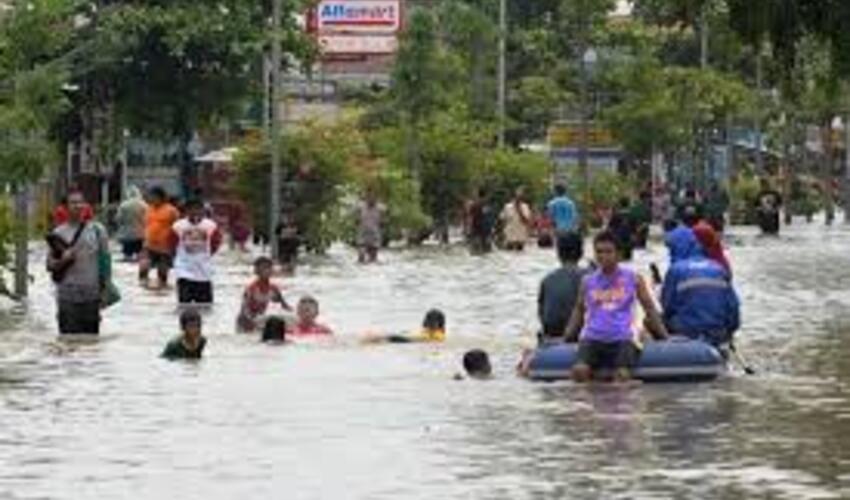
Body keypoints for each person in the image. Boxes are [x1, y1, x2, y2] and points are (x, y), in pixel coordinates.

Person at [564, 231, 669, 382]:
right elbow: (579, 310)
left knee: (622, 374)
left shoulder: (633, 279)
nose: (603, 256)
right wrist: (567, 336)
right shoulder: (587, 281)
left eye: (608, 252)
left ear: (618, 254)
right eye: (599, 252)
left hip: (623, 337)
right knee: (580, 371)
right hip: (593, 338)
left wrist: (665, 337)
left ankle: (621, 405)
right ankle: (588, 404)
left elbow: (649, 308)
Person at [662, 224, 740, 347]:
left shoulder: (676, 270)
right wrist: (729, 332)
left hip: (685, 333)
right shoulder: (718, 268)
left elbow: (667, 306)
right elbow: (733, 307)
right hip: (717, 333)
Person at [46, 191, 111, 335]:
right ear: (65, 207)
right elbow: (49, 265)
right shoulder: (58, 233)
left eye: (81, 202)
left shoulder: (97, 231)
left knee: (90, 345)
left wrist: (106, 291)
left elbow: (106, 263)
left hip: (91, 296)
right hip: (67, 296)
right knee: (68, 343)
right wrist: (63, 260)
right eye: (73, 203)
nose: (78, 206)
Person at [537, 231, 587, 344]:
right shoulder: (593, 277)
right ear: (581, 252)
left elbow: (542, 315)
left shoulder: (547, 280)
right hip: (580, 339)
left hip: (551, 338)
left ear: (558, 253)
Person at [172, 198, 222, 304]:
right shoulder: (178, 226)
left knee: (206, 307)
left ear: (203, 211)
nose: (195, 212)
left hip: (204, 272)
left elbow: (215, 244)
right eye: (191, 209)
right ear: (186, 211)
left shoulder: (211, 226)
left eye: (198, 209)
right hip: (184, 271)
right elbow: (171, 244)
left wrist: (205, 255)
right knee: (184, 306)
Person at [237, 256, 291, 332]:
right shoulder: (251, 289)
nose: (268, 271)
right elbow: (244, 310)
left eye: (269, 268)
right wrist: (252, 322)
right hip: (245, 322)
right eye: (264, 268)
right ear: (257, 271)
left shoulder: (274, 289)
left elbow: (285, 306)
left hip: (259, 319)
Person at [140, 187, 180, 288]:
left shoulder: (171, 210)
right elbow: (146, 225)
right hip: (149, 245)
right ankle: (144, 289)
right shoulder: (148, 209)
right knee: (143, 268)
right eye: (150, 196)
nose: (150, 199)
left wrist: (175, 246)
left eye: (153, 196)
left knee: (162, 272)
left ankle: (162, 287)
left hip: (165, 247)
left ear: (160, 197)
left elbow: (178, 227)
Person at [365, 309, 447, 344]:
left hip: (410, 341)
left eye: (430, 320)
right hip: (409, 339)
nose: (427, 323)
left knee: (384, 337)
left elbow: (420, 339)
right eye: (428, 320)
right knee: (383, 337)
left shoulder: (438, 336)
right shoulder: (433, 332)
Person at [115, 186, 148, 261]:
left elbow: (118, 219)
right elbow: (147, 219)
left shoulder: (124, 205)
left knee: (127, 254)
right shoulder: (144, 205)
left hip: (127, 233)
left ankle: (128, 258)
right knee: (139, 253)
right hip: (140, 233)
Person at [500, 187, 533, 251]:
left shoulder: (525, 207)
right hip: (509, 237)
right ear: (514, 197)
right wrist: (502, 234)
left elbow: (526, 221)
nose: (518, 198)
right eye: (517, 196)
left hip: (520, 238)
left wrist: (519, 210)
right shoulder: (507, 207)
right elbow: (502, 220)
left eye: (520, 196)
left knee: (520, 254)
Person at [356, 190, 385, 264]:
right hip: (363, 234)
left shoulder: (380, 207)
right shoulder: (361, 206)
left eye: (373, 197)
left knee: (373, 259)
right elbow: (357, 219)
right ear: (366, 198)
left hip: (374, 234)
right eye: (369, 197)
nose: (371, 199)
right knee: (361, 256)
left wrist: (381, 224)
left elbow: (383, 221)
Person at [467, 188, 494, 254]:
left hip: (476, 227)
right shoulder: (488, 204)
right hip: (486, 228)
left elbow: (470, 217)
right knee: (487, 249)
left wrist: (469, 229)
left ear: (477, 194)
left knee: (475, 249)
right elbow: (489, 216)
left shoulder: (474, 204)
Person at [275, 209, 300, 273]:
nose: (289, 219)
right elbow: (278, 236)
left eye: (291, 217)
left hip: (293, 248)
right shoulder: (280, 226)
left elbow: (298, 235)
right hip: (283, 248)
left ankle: (290, 270)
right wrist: (286, 234)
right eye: (287, 217)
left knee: (292, 266)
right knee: (284, 265)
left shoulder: (295, 225)